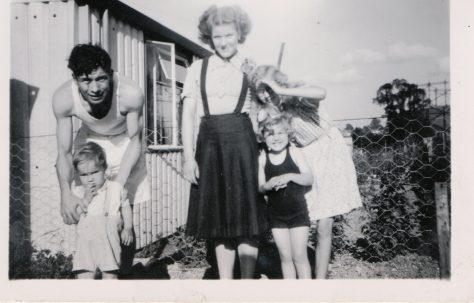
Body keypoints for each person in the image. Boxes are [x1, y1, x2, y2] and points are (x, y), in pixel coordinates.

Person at [250, 65, 362, 279]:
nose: (265, 93)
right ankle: (299, 273)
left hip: (329, 153)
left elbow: (322, 92)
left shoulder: (298, 96)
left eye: (267, 87)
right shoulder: (272, 112)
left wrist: (283, 91)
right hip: (305, 159)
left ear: (278, 82)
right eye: (260, 90)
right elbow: (262, 136)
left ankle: (319, 282)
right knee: (305, 218)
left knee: (324, 225)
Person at [181, 5, 267, 279]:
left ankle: (247, 281)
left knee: (246, 216)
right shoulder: (197, 68)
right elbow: (188, 114)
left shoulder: (251, 67)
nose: (224, 42)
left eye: (229, 35)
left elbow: (264, 111)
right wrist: (187, 156)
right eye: (217, 37)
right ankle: (226, 284)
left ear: (240, 34)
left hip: (243, 144)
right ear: (209, 37)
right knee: (219, 219)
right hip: (209, 147)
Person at [53, 43, 149, 226]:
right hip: (89, 140)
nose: (95, 89)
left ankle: (123, 253)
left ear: (111, 74)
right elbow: (64, 152)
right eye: (86, 80)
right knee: (88, 214)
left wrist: (118, 186)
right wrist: (65, 193)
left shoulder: (130, 93)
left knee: (120, 215)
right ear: (74, 79)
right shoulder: (63, 98)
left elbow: (135, 141)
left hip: (125, 142)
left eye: (101, 79)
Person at [258, 114, 313, 279]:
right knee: (285, 258)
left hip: (298, 214)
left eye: (280, 133)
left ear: (288, 134)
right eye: (270, 134)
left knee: (299, 256)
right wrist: (270, 183)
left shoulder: (294, 152)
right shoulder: (262, 158)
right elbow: (260, 188)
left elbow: (309, 178)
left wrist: (290, 176)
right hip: (276, 216)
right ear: (263, 137)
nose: (276, 138)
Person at [71, 142, 133, 279]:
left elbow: (125, 206)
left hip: (109, 242)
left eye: (94, 172)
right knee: (83, 277)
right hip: (86, 244)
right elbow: (74, 217)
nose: (90, 179)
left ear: (104, 168)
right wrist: (85, 200)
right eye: (84, 175)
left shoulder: (115, 189)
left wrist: (127, 227)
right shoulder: (78, 192)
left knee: (110, 277)